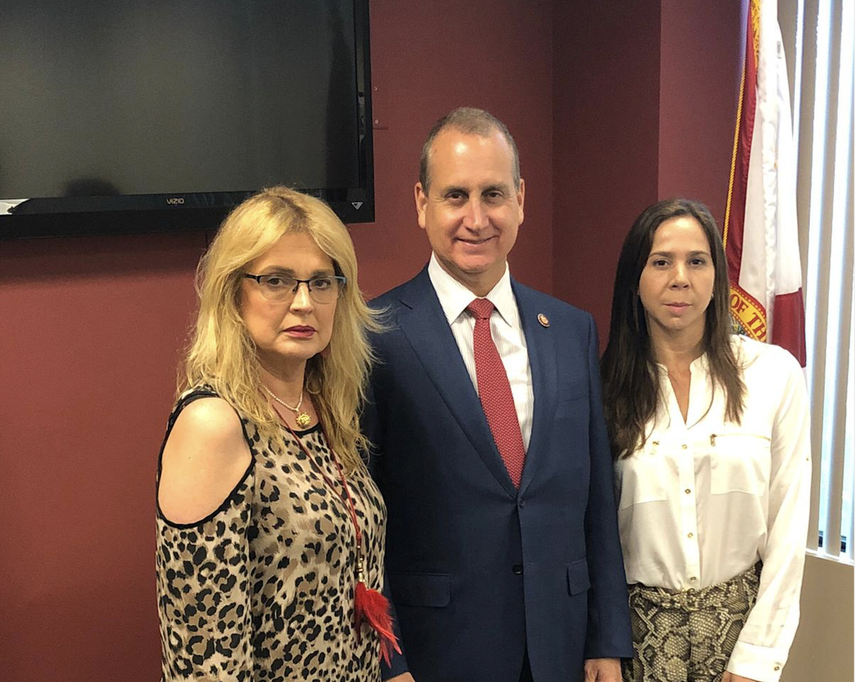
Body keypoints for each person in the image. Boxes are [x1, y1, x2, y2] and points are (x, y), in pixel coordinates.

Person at [362, 107, 633, 682]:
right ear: (420, 203)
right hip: (438, 653)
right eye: (455, 195)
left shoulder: (571, 330)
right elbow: (363, 519)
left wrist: (606, 638)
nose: (476, 218)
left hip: (560, 647)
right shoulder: (374, 335)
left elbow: (595, 500)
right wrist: (390, 661)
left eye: (494, 194)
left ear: (521, 200)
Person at [155, 187, 395, 681]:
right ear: (233, 292)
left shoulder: (326, 407)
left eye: (321, 282)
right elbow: (205, 661)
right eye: (277, 280)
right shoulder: (214, 423)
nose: (304, 303)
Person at [600, 199, 811, 682]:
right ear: (635, 278)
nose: (680, 277)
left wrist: (758, 658)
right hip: (636, 644)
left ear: (717, 274)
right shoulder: (601, 388)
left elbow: (787, 525)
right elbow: (591, 534)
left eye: (697, 260)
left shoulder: (773, 375)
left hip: (741, 637)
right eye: (660, 261)